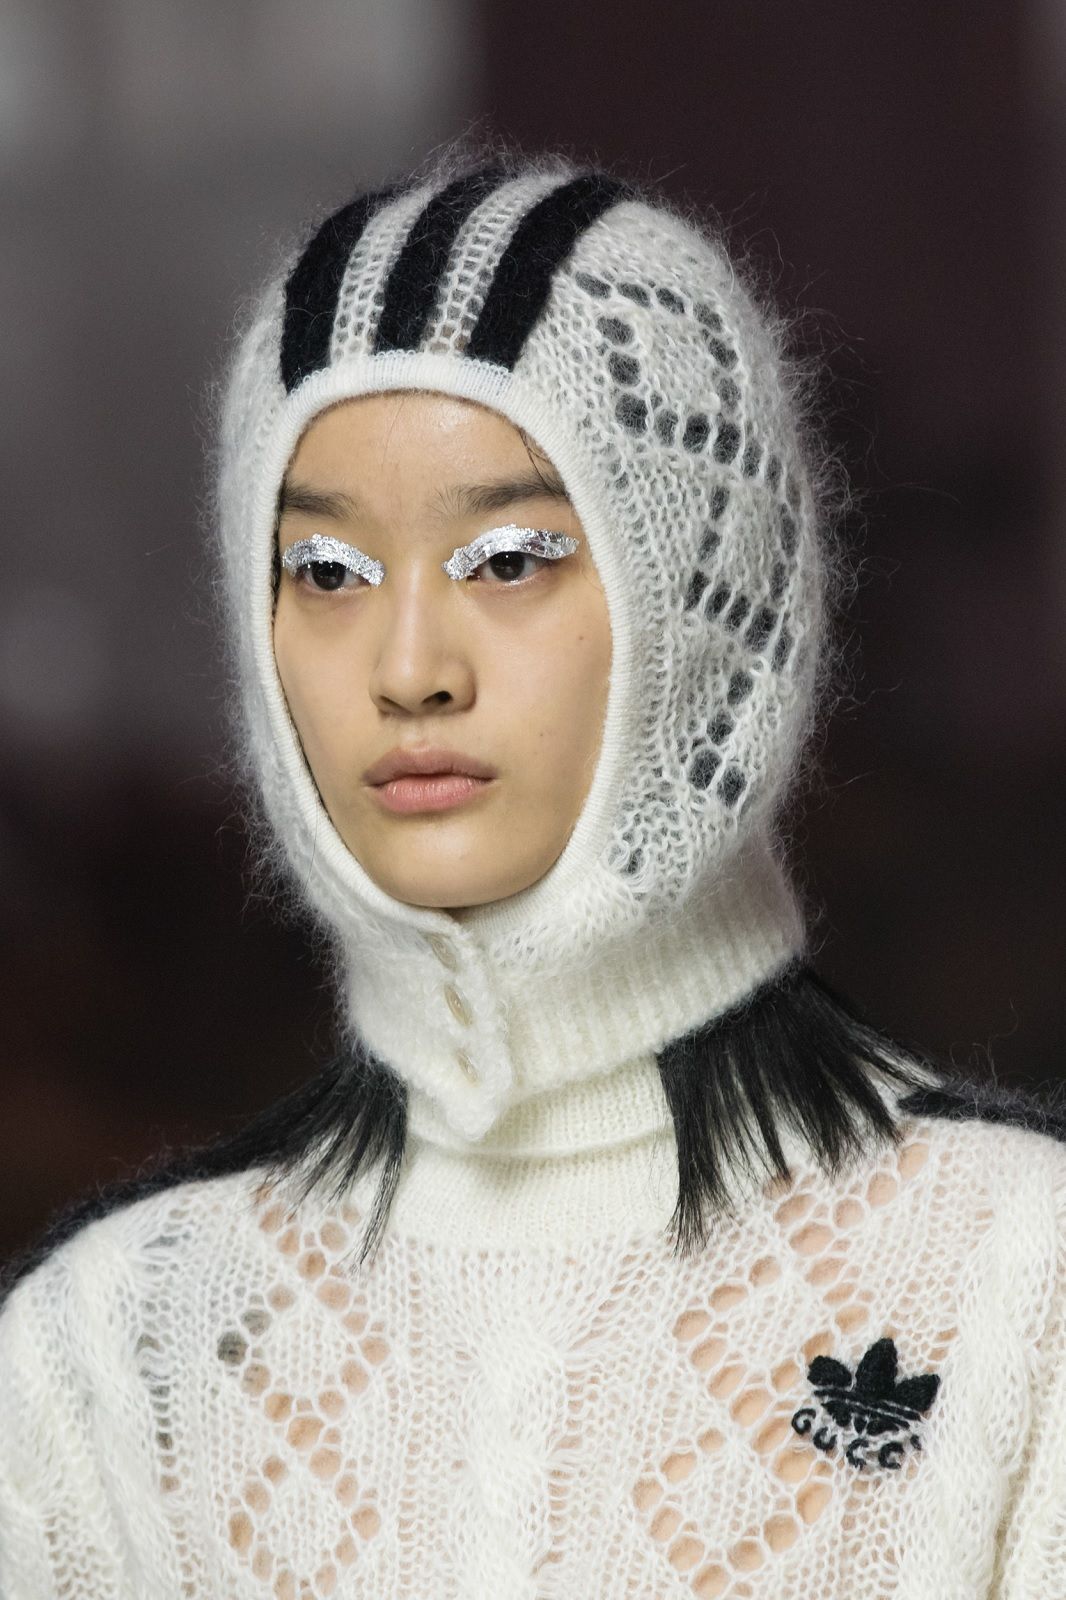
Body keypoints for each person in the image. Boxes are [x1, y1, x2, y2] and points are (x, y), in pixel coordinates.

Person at [2, 139, 1064, 1599]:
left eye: (507, 558)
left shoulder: (1019, 1287)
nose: (409, 667)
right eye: (327, 573)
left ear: (702, 595)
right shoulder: (114, 1359)